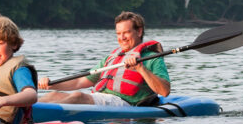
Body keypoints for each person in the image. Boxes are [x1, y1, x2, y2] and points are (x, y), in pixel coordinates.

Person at [39, 11, 170, 107]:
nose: (122, 37)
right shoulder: (112, 58)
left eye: (126, 32)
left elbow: (164, 91)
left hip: (124, 103)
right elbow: (79, 82)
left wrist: (140, 68)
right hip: (102, 98)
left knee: (78, 96)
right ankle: (24, 111)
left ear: (139, 31)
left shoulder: (152, 58)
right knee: (53, 95)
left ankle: (40, 114)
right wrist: (51, 85)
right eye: (118, 33)